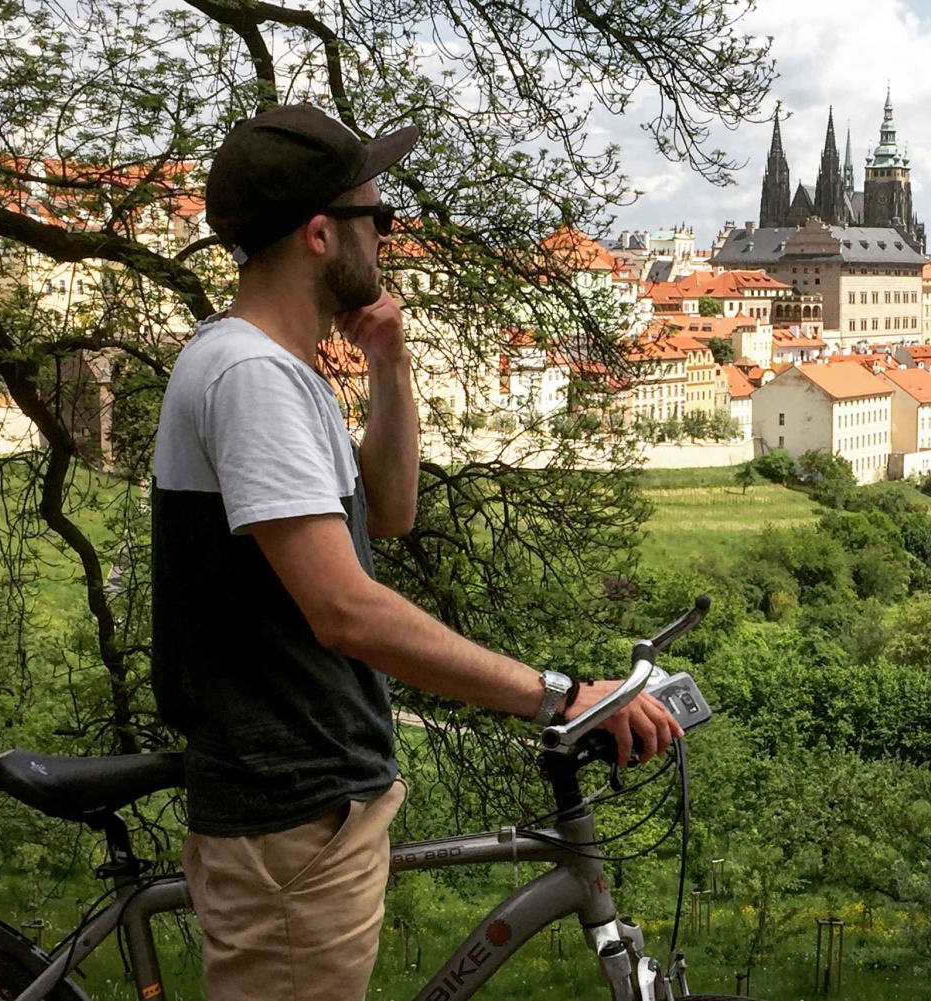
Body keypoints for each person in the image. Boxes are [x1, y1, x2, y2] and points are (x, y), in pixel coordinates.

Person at [149, 104, 682, 1001]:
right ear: (321, 234)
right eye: (378, 218)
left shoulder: (287, 370)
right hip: (294, 814)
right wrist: (554, 694)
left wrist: (391, 364)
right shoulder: (252, 377)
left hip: (319, 805)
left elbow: (390, 510)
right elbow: (345, 606)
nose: (391, 234)